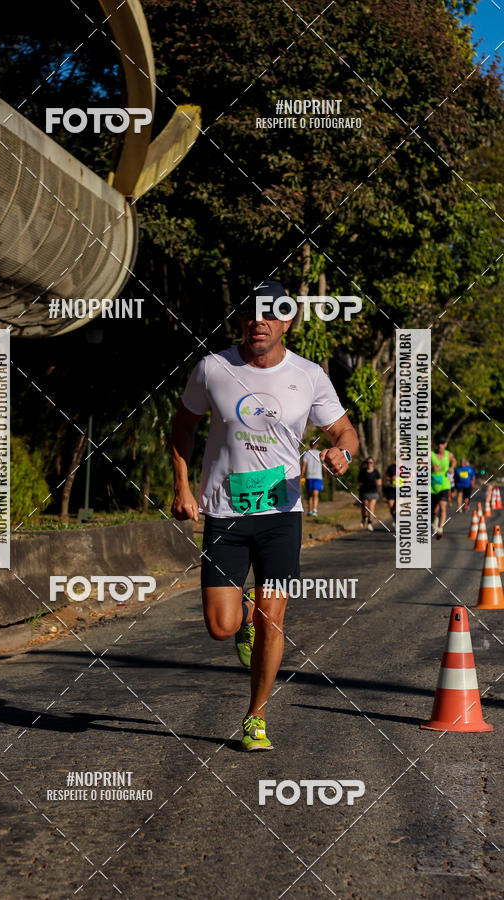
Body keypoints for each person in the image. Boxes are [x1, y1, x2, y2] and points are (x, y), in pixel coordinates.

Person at [170, 279, 358, 751]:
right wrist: (182, 486)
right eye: (253, 313)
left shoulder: (309, 375)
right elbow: (183, 426)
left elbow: (344, 431)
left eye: (273, 313)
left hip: (281, 514)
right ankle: (245, 618)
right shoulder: (213, 368)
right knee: (222, 626)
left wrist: (344, 455)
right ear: (241, 319)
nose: (261, 321)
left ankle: (256, 717)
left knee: (274, 618)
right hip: (224, 513)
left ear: (288, 322)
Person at [431, 437, 456, 539]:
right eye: (438, 443)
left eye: (442, 443)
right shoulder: (430, 454)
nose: (440, 446)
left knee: (443, 507)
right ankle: (435, 521)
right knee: (434, 510)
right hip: (432, 487)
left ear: (445, 444)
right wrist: (430, 468)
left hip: (444, 486)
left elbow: (454, 461)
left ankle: (440, 528)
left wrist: (451, 467)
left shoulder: (448, 454)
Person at [358, 457, 382, 531]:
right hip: (364, 492)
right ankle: (364, 517)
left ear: (373, 463)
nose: (369, 464)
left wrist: (376, 483)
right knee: (365, 506)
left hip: (373, 492)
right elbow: (360, 482)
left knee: (371, 508)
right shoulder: (363, 471)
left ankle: (369, 523)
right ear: (366, 463)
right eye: (368, 462)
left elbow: (379, 482)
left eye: (371, 462)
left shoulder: (376, 472)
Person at [301, 447, 323, 517]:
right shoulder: (320, 453)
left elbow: (304, 466)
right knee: (316, 494)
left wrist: (302, 475)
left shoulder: (307, 454)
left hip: (309, 476)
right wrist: (325, 473)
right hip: (318, 476)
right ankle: (315, 510)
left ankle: (310, 511)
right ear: (317, 445)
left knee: (309, 494)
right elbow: (323, 464)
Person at [383, 460, 397, 527]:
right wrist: (391, 478)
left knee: (397, 507)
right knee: (391, 508)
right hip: (391, 489)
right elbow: (386, 477)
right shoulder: (391, 468)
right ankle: (395, 520)